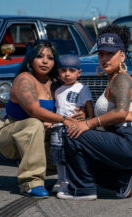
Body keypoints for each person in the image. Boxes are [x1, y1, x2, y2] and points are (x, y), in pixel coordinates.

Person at [57, 24, 132, 200]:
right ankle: (122, 180)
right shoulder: (114, 80)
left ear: (122, 56)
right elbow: (110, 118)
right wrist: (87, 117)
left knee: (71, 134)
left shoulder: (121, 79)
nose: (105, 58)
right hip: (126, 141)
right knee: (83, 143)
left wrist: (88, 124)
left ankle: (83, 190)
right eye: (101, 54)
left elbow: (121, 113)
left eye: (110, 54)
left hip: (130, 140)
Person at [0, 40, 79, 198]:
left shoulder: (55, 83)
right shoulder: (24, 79)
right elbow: (34, 110)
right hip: (10, 133)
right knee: (34, 124)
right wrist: (63, 119)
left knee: (72, 132)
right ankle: (31, 183)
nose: (45, 61)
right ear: (30, 59)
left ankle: (73, 176)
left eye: (50, 58)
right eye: (40, 56)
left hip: (40, 135)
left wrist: (82, 114)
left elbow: (69, 107)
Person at [50, 54, 94, 193]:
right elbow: (55, 108)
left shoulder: (82, 88)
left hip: (74, 127)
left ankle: (70, 180)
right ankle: (60, 179)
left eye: (71, 70)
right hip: (57, 127)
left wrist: (90, 120)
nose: (67, 74)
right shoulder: (57, 90)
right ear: (58, 72)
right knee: (58, 155)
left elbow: (88, 106)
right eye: (63, 70)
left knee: (71, 154)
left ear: (79, 73)